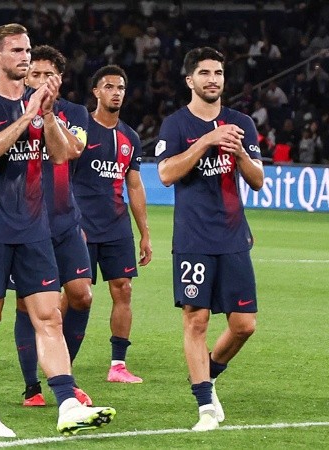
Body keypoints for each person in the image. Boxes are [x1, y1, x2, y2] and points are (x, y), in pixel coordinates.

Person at [0, 23, 115, 438]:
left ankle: (66, 403)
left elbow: (64, 154)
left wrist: (46, 115)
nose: (25, 57)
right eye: (16, 50)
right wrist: (26, 115)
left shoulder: (41, 105)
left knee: (49, 316)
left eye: (27, 49)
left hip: (35, 229)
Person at [156, 47, 263, 431]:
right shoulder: (175, 125)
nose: (213, 79)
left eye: (218, 72)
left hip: (233, 237)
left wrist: (239, 154)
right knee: (196, 320)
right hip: (193, 238)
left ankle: (209, 374)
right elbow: (166, 174)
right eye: (204, 73)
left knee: (244, 325)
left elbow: (257, 179)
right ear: (190, 80)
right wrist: (205, 142)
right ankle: (204, 406)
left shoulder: (241, 124)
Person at [10, 45, 94, 408]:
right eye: (36, 75)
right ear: (25, 77)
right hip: (23, 222)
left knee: (81, 296)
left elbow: (73, 150)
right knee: (25, 306)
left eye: (49, 75)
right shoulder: (12, 109)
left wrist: (48, 116)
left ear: (60, 79)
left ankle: (63, 373)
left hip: (63, 220)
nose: (42, 81)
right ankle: (33, 388)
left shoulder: (75, 113)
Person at [71, 64, 152, 386]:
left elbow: (134, 185)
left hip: (116, 226)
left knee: (124, 290)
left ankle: (118, 365)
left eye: (120, 88)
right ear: (96, 92)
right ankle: (61, 358)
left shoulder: (130, 137)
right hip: (80, 226)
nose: (116, 92)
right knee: (75, 295)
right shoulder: (80, 129)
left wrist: (144, 232)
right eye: (109, 87)